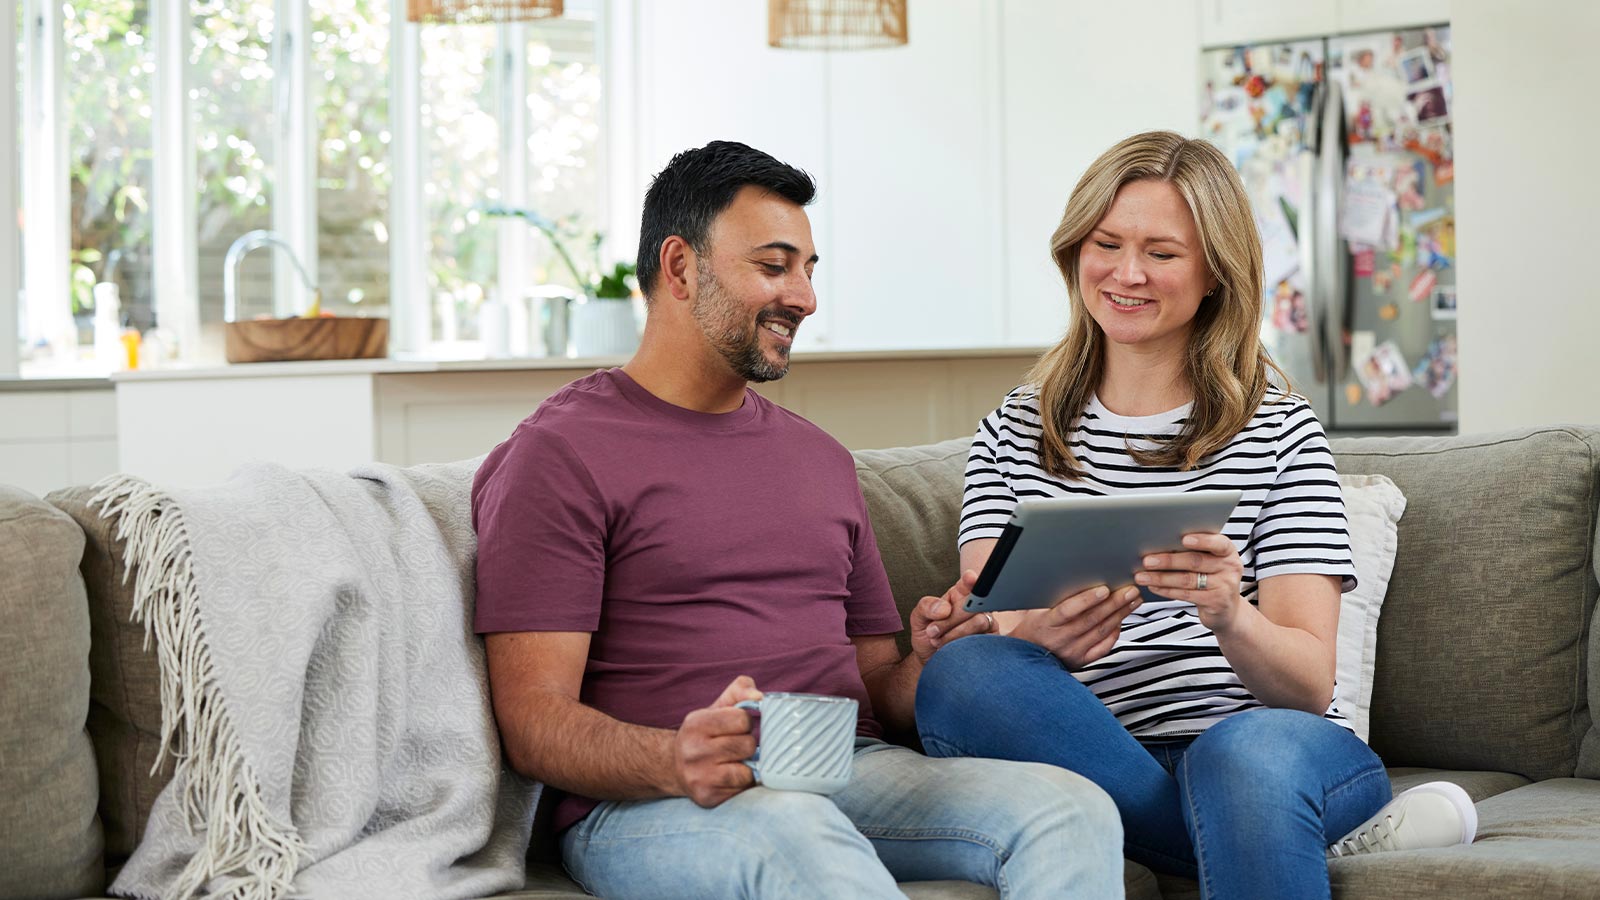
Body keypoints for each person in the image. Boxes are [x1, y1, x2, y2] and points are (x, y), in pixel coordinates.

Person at [471, 140, 1125, 900]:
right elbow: (533, 720)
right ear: (681, 268)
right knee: (793, 829)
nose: (805, 298)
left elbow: (879, 685)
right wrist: (671, 755)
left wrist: (931, 656)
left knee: (1070, 808)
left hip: (846, 768)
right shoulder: (559, 454)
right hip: (654, 800)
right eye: (775, 266)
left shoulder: (819, 459)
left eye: (810, 270)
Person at [913, 131, 1476, 900]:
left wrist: (1229, 616)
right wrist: (1023, 635)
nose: (1127, 273)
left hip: (1268, 742)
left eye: (1163, 253)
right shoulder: (1014, 431)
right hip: (1095, 747)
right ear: (1076, 250)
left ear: (1215, 272)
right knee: (964, 673)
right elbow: (994, 622)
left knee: (1236, 761)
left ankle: (1273, 819)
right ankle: (1300, 841)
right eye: (1106, 243)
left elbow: (1308, 685)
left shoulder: (1278, 431)